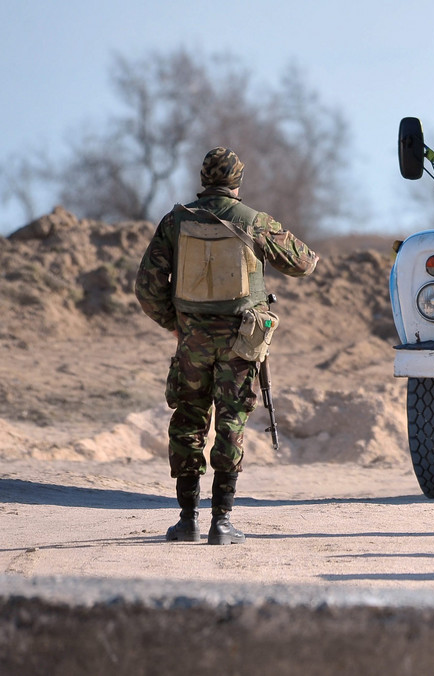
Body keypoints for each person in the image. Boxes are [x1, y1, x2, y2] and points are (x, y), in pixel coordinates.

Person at [135, 147, 320, 545]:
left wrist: (178, 325)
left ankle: (187, 520)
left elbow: (146, 287)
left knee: (188, 421)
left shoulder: (175, 221)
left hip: (192, 343)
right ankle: (222, 522)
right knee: (231, 424)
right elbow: (304, 264)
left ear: (204, 178)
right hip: (240, 343)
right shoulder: (254, 222)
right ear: (238, 181)